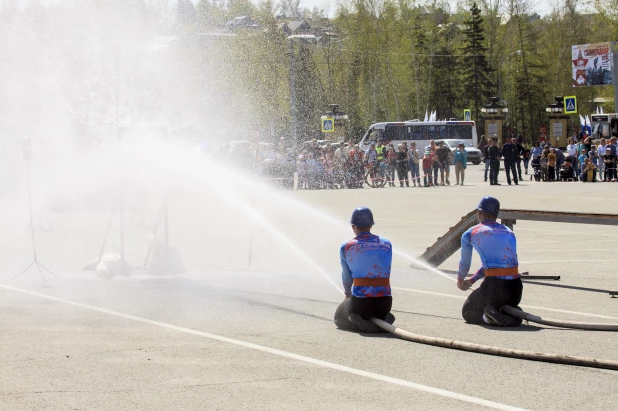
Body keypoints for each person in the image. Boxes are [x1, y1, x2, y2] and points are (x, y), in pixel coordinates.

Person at [457, 197, 523, 327]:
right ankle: (511, 314)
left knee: (468, 311)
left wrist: (460, 280)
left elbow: (465, 263)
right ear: (497, 215)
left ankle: (489, 318)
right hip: (516, 289)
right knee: (499, 306)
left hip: (494, 288)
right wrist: (472, 280)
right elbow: (500, 264)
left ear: (479, 213)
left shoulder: (471, 233)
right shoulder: (508, 231)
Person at [334, 207, 395, 333]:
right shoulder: (386, 244)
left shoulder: (346, 247)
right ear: (371, 225)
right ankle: (384, 319)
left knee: (339, 316)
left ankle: (358, 320)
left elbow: (346, 277)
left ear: (353, 226)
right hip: (385, 303)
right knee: (379, 310)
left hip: (362, 304)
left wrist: (347, 294)